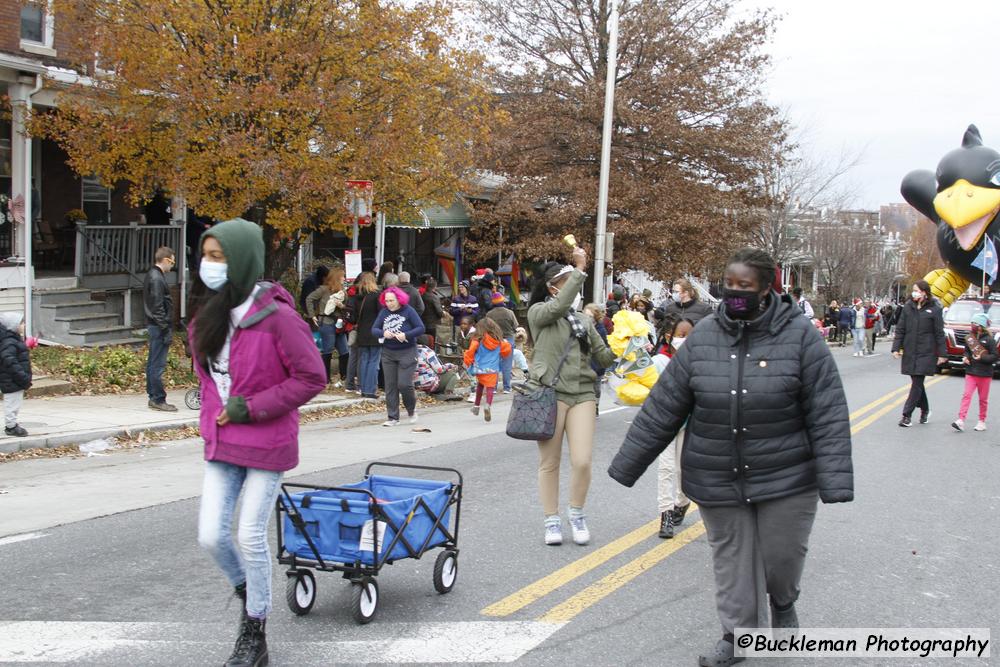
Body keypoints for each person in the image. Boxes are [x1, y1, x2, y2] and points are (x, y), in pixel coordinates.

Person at [609, 247, 853, 667]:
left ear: (766, 289)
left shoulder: (800, 337)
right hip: (718, 473)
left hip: (787, 475)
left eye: (745, 286)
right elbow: (664, 406)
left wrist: (835, 480)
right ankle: (737, 636)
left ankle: (782, 603)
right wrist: (627, 464)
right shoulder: (703, 336)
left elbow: (827, 412)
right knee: (732, 560)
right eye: (729, 285)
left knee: (782, 556)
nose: (735, 293)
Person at [190, 218, 326, 667]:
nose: (208, 265)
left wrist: (251, 407)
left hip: (267, 442)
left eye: (218, 257)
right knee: (211, 536)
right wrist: (215, 416)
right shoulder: (207, 316)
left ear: (243, 260)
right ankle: (249, 589)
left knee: (250, 535)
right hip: (222, 442)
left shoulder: (280, 319)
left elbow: (312, 378)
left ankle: (255, 630)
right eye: (205, 256)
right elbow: (208, 380)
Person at [528, 248, 616, 546]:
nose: (573, 289)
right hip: (550, 394)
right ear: (552, 288)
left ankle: (576, 512)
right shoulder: (539, 313)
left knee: (582, 461)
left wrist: (625, 347)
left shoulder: (584, 320)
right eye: (566, 282)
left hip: (582, 394)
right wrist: (579, 268)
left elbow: (602, 356)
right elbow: (559, 307)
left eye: (573, 281)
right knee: (549, 462)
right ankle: (551, 520)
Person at [653, 316, 694, 540]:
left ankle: (682, 501)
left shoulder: (699, 363)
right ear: (669, 337)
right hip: (666, 422)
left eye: (690, 336)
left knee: (682, 469)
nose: (684, 340)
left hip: (690, 423)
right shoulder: (660, 361)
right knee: (666, 468)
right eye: (680, 335)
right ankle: (666, 513)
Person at [892, 280, 947, 427]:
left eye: (916, 290)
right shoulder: (908, 308)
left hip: (926, 351)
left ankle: (906, 415)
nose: (914, 293)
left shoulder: (934, 309)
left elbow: (939, 333)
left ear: (924, 292)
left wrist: (942, 354)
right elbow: (900, 329)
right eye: (913, 290)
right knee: (918, 383)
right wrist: (896, 348)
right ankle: (925, 410)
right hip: (910, 350)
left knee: (917, 382)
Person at [372, 285, 424, 426]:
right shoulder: (384, 312)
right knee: (390, 386)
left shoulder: (408, 311)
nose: (389, 304)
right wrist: (383, 333)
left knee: (404, 384)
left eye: (392, 301)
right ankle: (393, 417)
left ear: (399, 299)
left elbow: (420, 328)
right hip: (388, 352)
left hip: (407, 351)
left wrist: (405, 335)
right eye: (387, 301)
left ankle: (411, 410)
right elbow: (374, 329)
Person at [143, 246, 177, 412]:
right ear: (165, 260)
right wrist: (165, 329)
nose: (172, 266)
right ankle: (158, 398)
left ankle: (153, 396)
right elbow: (158, 306)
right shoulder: (157, 278)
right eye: (172, 262)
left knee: (152, 363)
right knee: (157, 364)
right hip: (159, 326)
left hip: (154, 325)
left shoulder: (152, 274)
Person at [951, 312, 997, 432]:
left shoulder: (989, 340)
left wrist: (981, 358)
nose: (972, 325)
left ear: (981, 325)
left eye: (975, 323)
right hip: (971, 371)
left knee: (983, 399)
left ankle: (982, 421)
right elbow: (966, 351)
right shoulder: (970, 337)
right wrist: (965, 357)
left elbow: (994, 356)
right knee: (966, 395)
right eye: (972, 323)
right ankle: (961, 420)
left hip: (985, 374)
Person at [305, 266, 348, 386]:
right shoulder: (323, 290)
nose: (344, 279)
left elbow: (347, 307)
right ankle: (325, 379)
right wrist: (312, 315)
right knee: (327, 350)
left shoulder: (343, 292)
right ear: (337, 278)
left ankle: (344, 378)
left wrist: (342, 306)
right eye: (342, 276)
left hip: (339, 323)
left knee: (344, 350)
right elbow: (309, 299)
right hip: (327, 322)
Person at [463, 316, 511, 422]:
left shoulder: (478, 340)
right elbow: (506, 350)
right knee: (490, 387)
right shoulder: (498, 341)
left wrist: (467, 361)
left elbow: (470, 351)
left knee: (480, 385)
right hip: (492, 369)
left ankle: (476, 406)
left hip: (480, 368)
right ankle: (488, 405)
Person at [350, 271, 383, 398]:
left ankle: (362, 388)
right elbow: (381, 315)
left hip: (361, 332)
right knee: (373, 361)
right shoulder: (376, 296)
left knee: (363, 360)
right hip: (374, 332)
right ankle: (370, 389)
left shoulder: (357, 297)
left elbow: (354, 317)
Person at [0, 312, 31, 437]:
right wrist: (22, 375)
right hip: (12, 379)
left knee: (15, 403)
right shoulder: (9, 342)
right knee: (12, 403)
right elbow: (8, 359)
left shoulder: (13, 339)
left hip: (15, 378)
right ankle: (11, 427)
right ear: (13, 326)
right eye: (21, 323)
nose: (24, 325)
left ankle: (12, 424)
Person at [486, 292, 519, 394]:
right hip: (508, 340)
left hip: (494, 340)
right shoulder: (509, 313)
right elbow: (515, 326)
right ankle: (507, 388)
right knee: (507, 365)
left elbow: (487, 328)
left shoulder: (489, 314)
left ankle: (494, 388)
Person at [420, 277, 445, 349]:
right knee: (432, 342)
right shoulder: (434, 297)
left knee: (424, 342)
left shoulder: (422, 295)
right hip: (433, 324)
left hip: (423, 322)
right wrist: (443, 314)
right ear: (435, 286)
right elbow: (439, 312)